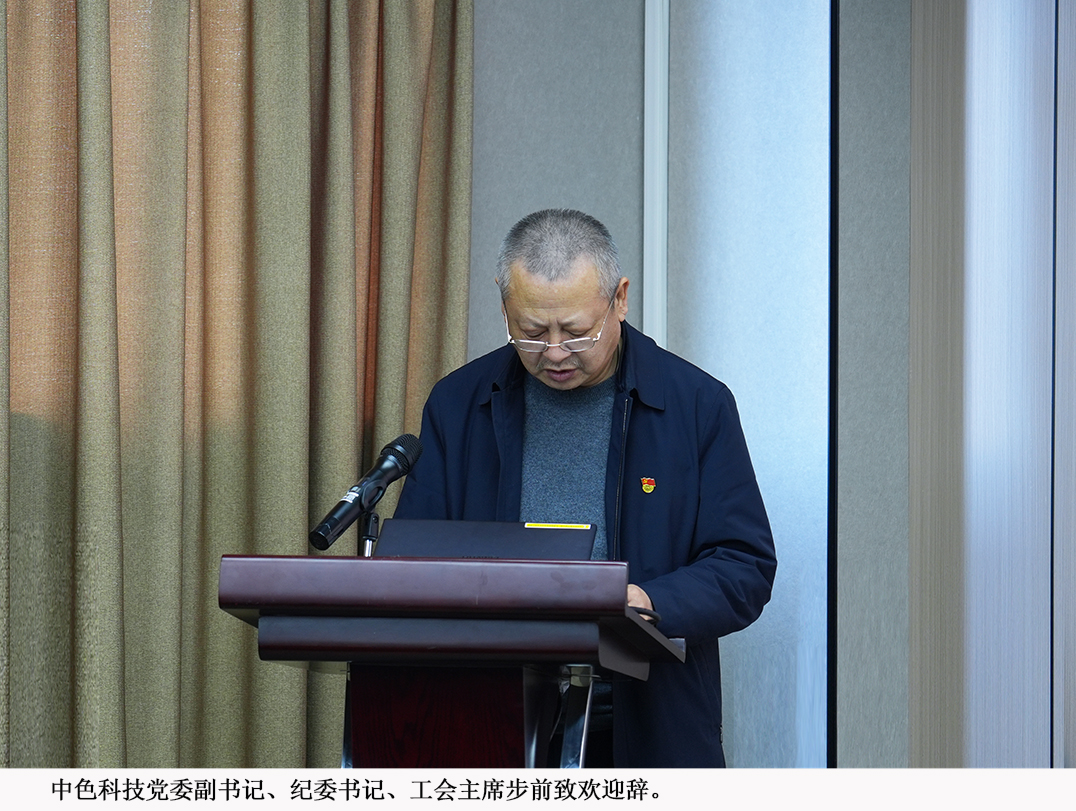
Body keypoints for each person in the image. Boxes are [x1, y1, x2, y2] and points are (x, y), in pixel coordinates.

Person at [394, 208, 776, 768]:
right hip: (489, 718)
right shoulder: (459, 403)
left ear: (620, 299)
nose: (554, 353)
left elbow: (744, 565)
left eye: (576, 333)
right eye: (530, 332)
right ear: (504, 306)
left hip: (645, 724)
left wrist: (647, 601)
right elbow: (413, 562)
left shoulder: (696, 405)